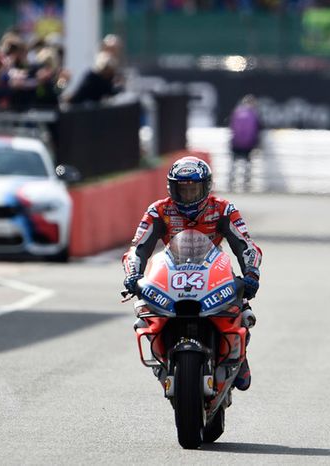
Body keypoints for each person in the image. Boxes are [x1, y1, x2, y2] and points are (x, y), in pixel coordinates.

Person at [122, 155, 262, 391]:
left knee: (243, 308)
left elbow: (245, 244)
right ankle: (162, 357)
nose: (187, 196)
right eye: (181, 190)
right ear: (171, 188)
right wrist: (133, 273)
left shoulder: (224, 209)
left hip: (213, 270)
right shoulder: (158, 211)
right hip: (172, 270)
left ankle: (240, 356)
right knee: (144, 313)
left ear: (206, 187)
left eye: (193, 190)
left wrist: (251, 274)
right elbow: (139, 247)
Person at [228, 94, 261, 191]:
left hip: (235, 143)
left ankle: (231, 182)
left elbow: (231, 127)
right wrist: (257, 144)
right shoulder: (254, 114)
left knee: (234, 164)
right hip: (248, 144)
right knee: (247, 164)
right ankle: (246, 183)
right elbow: (257, 129)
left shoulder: (237, 112)